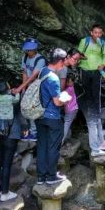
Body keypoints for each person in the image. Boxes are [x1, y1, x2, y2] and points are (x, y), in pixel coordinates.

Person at [36, 48, 71, 184]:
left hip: (39, 115)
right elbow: (57, 102)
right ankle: (51, 176)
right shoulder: (53, 78)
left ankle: (41, 177)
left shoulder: (42, 72)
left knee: (42, 146)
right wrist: (66, 99)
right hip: (52, 117)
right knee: (53, 147)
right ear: (60, 61)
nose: (64, 65)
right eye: (63, 62)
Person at [77, 24, 105, 157]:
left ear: (101, 34)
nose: (97, 35)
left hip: (97, 72)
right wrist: (81, 58)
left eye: (99, 33)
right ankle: (88, 115)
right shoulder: (84, 41)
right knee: (86, 94)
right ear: (91, 32)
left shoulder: (103, 43)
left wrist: (103, 64)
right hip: (85, 71)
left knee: (96, 96)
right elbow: (78, 53)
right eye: (95, 33)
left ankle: (95, 112)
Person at [0, 81, 23, 202]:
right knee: (6, 164)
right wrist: (16, 93)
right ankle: (5, 193)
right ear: (7, 88)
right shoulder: (11, 99)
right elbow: (19, 112)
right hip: (11, 134)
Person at [18, 38, 46, 140]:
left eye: (30, 49)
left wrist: (19, 88)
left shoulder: (40, 60)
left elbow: (33, 76)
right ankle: (30, 130)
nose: (28, 51)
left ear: (35, 49)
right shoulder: (25, 57)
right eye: (27, 49)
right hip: (29, 87)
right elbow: (25, 73)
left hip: (37, 88)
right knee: (26, 109)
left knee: (33, 109)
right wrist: (23, 89)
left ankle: (35, 132)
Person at [62, 70, 79, 143]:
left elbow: (63, 102)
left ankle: (61, 141)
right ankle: (67, 138)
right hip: (74, 108)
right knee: (67, 124)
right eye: (68, 82)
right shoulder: (71, 88)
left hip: (70, 110)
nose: (70, 83)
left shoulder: (68, 90)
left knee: (66, 124)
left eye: (70, 82)